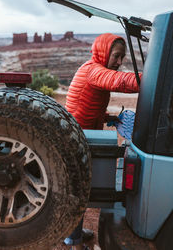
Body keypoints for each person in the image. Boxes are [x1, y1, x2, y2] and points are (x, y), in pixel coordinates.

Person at [64, 33, 142, 250]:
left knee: (80, 187)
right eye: (116, 56)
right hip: (77, 138)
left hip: (81, 133)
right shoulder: (94, 71)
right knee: (78, 191)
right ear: (103, 52)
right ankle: (75, 243)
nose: (119, 62)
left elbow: (87, 104)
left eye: (122, 58)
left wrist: (107, 116)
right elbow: (121, 82)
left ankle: (74, 232)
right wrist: (155, 78)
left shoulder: (93, 69)